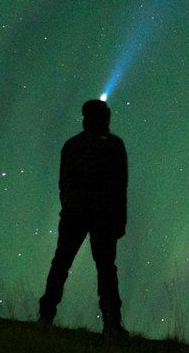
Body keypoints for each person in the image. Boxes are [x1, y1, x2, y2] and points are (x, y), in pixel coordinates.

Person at [38, 99, 128, 338]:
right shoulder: (112, 145)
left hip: (82, 214)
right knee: (100, 268)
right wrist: (119, 220)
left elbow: (64, 183)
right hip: (96, 216)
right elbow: (120, 185)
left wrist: (69, 205)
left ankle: (47, 315)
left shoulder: (74, 145)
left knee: (65, 264)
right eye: (103, 118)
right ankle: (112, 324)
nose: (106, 122)